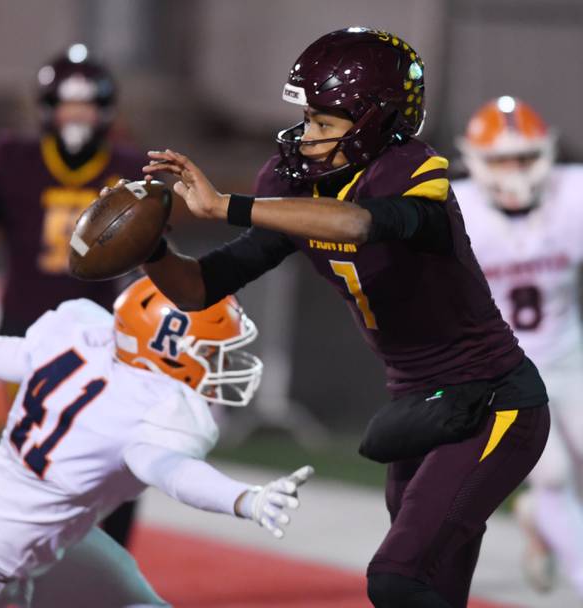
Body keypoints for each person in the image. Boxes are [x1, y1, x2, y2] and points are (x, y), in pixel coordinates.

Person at [135, 27, 549, 608]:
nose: (307, 137)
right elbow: (201, 287)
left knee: (398, 579)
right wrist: (149, 249)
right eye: (307, 119)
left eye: (325, 124)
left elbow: (359, 223)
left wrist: (226, 206)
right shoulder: (289, 184)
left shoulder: (411, 169)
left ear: (376, 124)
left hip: (493, 402)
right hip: (416, 407)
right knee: (432, 587)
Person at [0, 277, 313, 607]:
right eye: (214, 350)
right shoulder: (148, 412)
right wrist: (244, 499)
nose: (226, 362)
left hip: (1, 539)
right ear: (170, 352)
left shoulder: (83, 338)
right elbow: (175, 474)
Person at [0, 43, 147, 547]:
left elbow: (156, 258)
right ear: (47, 108)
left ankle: (108, 571)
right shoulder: (13, 161)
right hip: (27, 335)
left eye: (87, 105)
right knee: (36, 460)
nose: (78, 116)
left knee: (125, 457)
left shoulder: (128, 168)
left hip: (102, 340)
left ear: (107, 111)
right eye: (69, 104)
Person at [454, 96, 583, 595]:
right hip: (502, 370)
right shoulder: (454, 209)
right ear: (474, 159)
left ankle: (536, 521)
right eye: (502, 159)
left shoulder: (570, 196)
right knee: (550, 475)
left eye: (525, 157)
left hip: (568, 356)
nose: (515, 171)